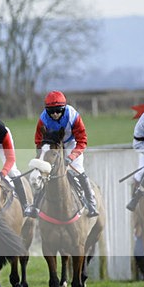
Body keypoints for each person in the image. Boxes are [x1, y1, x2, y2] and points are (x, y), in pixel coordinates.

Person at [24, 90, 99, 218]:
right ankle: (35, 205)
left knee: (77, 169)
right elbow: (38, 141)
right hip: (52, 146)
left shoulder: (73, 116)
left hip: (71, 144)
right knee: (45, 172)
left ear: (64, 108)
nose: (55, 114)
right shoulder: (43, 119)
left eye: (58, 110)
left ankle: (91, 203)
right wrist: (41, 157)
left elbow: (82, 140)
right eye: (51, 111)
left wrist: (71, 157)